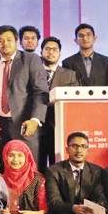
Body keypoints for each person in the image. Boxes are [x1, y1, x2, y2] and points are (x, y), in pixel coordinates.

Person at [0, 25, 48, 166]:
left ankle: (32, 190)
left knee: (30, 169)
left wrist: (35, 119)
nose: (5, 44)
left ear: (17, 41)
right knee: (2, 169)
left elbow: (40, 92)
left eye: (9, 39)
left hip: (25, 124)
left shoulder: (30, 60)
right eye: (0, 40)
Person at [38, 36, 79, 171]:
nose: (51, 52)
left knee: (58, 166)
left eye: (55, 49)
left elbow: (74, 104)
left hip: (59, 126)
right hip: (37, 127)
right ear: (41, 52)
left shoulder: (70, 75)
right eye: (47, 49)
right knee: (38, 165)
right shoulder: (33, 73)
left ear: (60, 53)